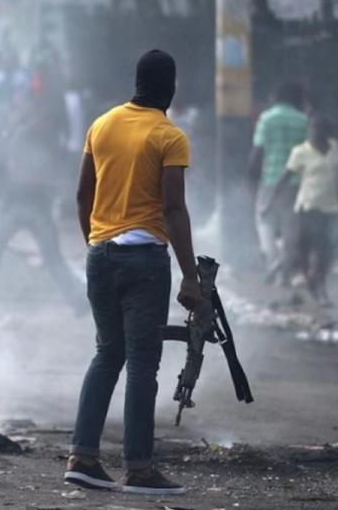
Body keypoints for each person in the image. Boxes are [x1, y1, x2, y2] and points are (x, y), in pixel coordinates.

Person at [66, 49, 201, 496]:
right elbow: (173, 208)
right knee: (143, 365)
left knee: (108, 355)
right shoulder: (168, 135)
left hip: (100, 254)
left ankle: (83, 457)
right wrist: (190, 275)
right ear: (171, 87)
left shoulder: (101, 125)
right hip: (144, 261)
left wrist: (95, 242)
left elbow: (82, 195)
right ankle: (139, 468)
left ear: (137, 81)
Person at [0, 106, 83, 316]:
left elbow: (53, 168)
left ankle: (78, 303)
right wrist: (51, 183)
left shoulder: (50, 140)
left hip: (38, 208)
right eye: (46, 120)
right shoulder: (21, 137)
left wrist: (55, 184)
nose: (48, 125)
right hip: (14, 205)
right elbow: (18, 174)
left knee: (53, 258)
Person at [268, 115, 338, 305]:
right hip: (308, 206)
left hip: (333, 206)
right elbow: (286, 177)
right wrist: (269, 201)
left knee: (328, 251)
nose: (315, 132)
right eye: (313, 128)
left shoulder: (336, 148)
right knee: (310, 248)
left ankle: (317, 284)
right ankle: (317, 287)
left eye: (319, 128)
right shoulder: (300, 151)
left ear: (326, 131)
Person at [249, 82, 309, 286]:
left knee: (264, 221)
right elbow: (306, 153)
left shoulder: (266, 118)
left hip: (270, 179)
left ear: (278, 96)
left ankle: (274, 261)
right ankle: (283, 270)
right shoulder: (303, 120)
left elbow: (257, 152)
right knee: (290, 229)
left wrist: (251, 177)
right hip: (295, 182)